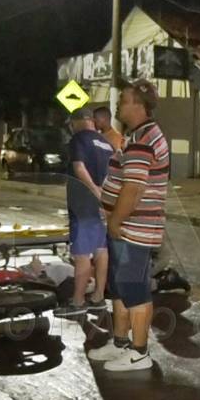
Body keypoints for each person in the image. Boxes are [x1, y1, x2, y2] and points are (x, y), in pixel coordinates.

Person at [88, 80, 170, 372]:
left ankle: (139, 352)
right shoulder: (137, 135)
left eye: (123, 100)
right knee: (121, 288)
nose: (119, 105)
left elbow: (132, 189)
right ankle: (121, 343)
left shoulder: (144, 139)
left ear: (138, 104)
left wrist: (114, 221)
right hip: (127, 228)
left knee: (134, 289)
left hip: (132, 229)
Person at [62, 108, 115, 319]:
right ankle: (98, 297)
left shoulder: (78, 140)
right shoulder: (106, 144)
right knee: (101, 249)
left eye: (72, 124)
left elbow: (79, 167)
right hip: (102, 207)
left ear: (78, 122)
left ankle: (77, 301)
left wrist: (94, 190)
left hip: (83, 205)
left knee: (82, 254)